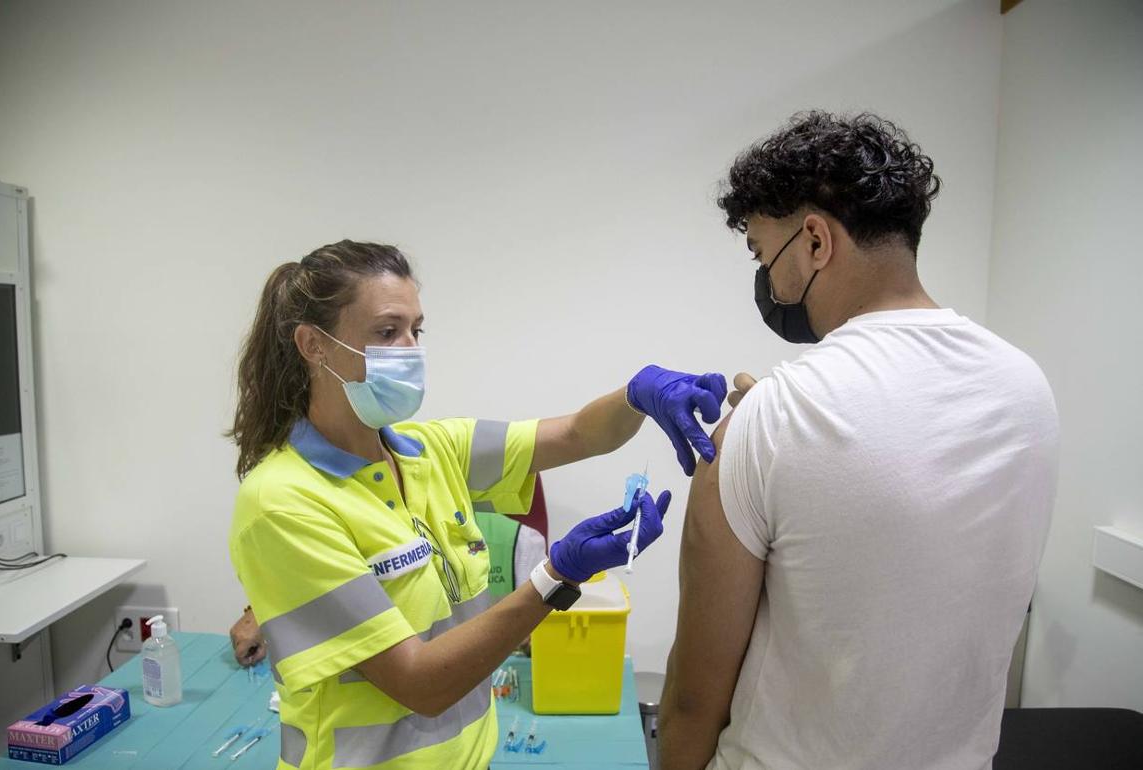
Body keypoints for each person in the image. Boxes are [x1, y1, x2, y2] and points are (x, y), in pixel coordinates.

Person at [226, 239, 726, 770]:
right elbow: (419, 682)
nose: (410, 349)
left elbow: (579, 434)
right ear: (314, 345)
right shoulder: (283, 502)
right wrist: (556, 576)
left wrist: (637, 394)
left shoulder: (430, 450)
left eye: (417, 330)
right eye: (386, 331)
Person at [659, 111, 1060, 770]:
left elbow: (692, 705)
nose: (769, 285)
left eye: (765, 255)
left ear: (816, 241)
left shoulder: (764, 425)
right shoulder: (1028, 392)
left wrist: (762, 432)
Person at [230, 511, 546, 666]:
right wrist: (261, 613)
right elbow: (326, 588)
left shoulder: (522, 542)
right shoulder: (371, 531)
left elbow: (541, 639)